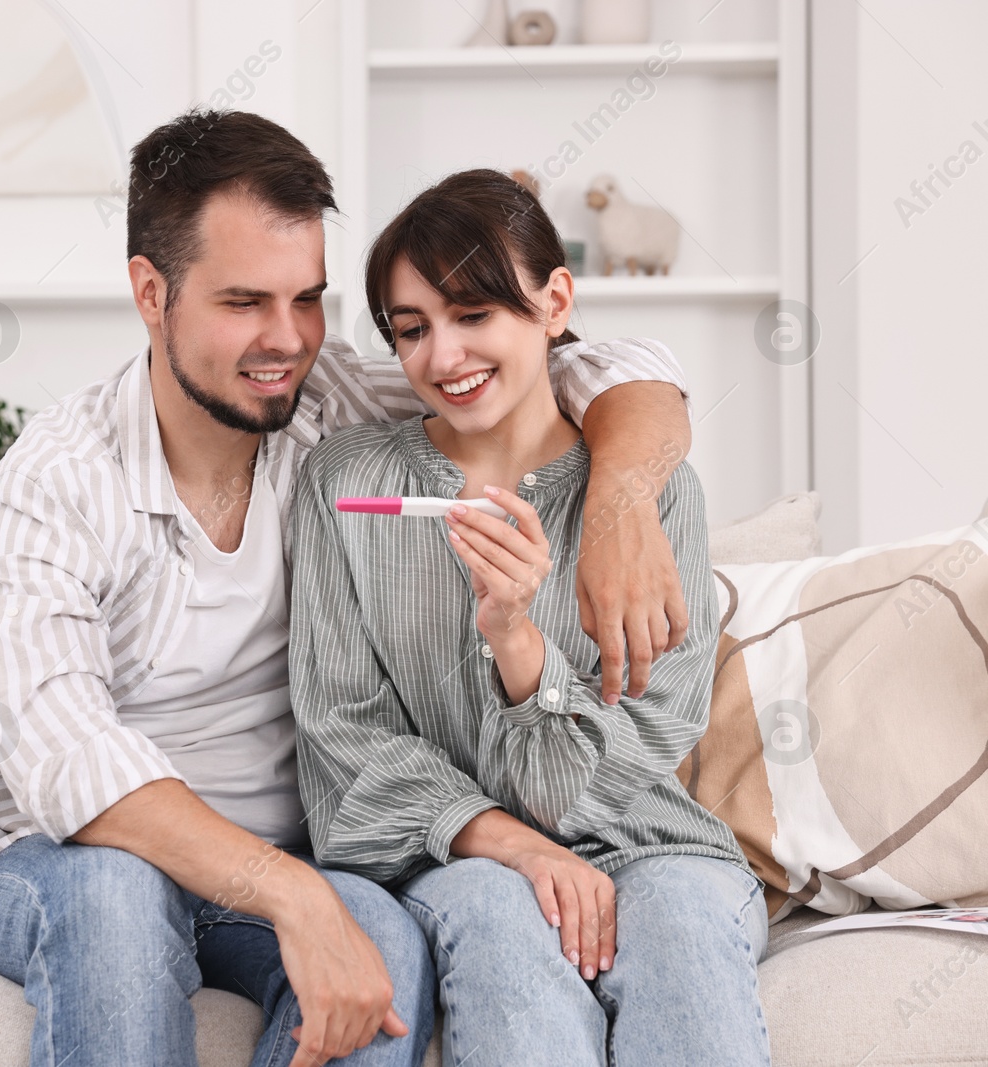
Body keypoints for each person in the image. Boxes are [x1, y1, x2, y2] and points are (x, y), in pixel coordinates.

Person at [0, 109, 699, 1067]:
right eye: (243, 302)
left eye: (305, 297)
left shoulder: (328, 407)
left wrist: (620, 506)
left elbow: (588, 366)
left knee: (384, 947)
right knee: (115, 899)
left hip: (274, 870)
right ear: (151, 291)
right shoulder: (58, 477)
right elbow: (68, 759)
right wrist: (292, 891)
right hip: (64, 863)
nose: (286, 339)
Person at [288, 168, 772, 1066]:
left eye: (476, 315)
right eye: (412, 329)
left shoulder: (648, 493)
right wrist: (507, 846)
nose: (443, 358)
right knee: (492, 911)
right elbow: (342, 747)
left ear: (555, 303)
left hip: (651, 844)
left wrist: (520, 646)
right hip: (454, 861)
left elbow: (645, 737)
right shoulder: (346, 485)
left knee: (680, 928)